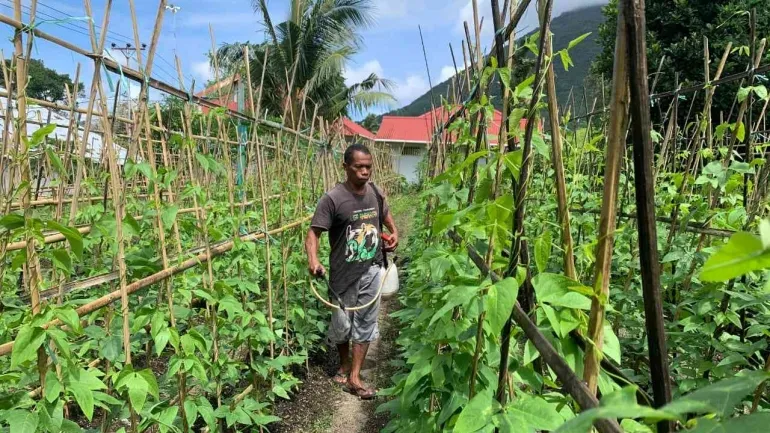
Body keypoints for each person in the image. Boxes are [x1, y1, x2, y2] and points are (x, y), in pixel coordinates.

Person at [305, 143, 399, 400]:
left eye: (368, 167)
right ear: (345, 166)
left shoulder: (375, 193)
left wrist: (393, 232)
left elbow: (385, 215)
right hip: (343, 275)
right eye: (359, 167)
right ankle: (345, 363)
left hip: (372, 268)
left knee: (366, 323)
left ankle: (355, 376)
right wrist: (313, 260)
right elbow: (313, 233)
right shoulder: (333, 199)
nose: (365, 172)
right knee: (342, 325)